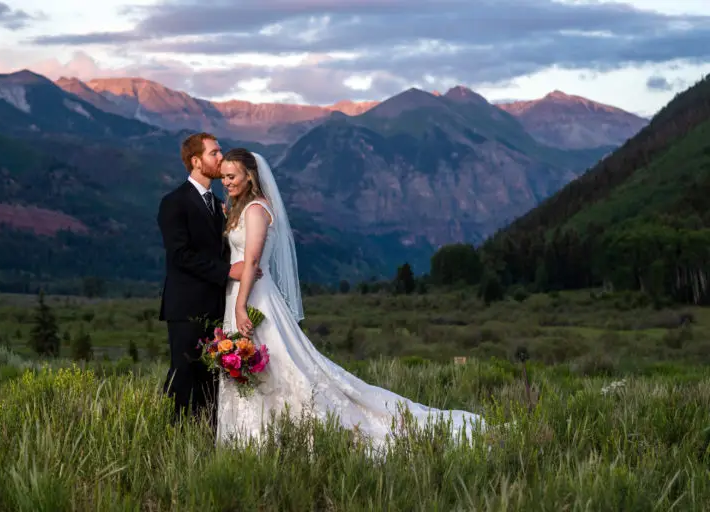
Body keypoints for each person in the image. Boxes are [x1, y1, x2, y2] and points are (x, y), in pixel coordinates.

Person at [215, 148, 485, 453]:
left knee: (272, 367)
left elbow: (251, 261)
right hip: (242, 293)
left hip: (253, 298)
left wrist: (240, 306)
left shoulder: (254, 210)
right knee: (260, 367)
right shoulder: (243, 208)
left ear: (249, 176)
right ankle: (253, 438)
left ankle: (272, 437)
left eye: (231, 176)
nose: (225, 182)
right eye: (223, 176)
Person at [157, 132, 260, 428]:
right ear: (195, 161)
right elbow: (180, 255)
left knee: (212, 382)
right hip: (186, 307)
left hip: (218, 306)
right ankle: (174, 440)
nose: (221, 157)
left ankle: (207, 439)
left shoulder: (219, 204)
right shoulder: (174, 202)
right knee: (184, 377)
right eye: (214, 153)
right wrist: (228, 271)